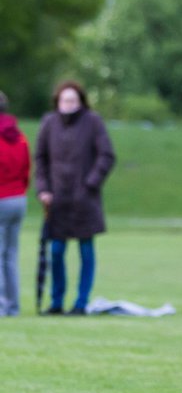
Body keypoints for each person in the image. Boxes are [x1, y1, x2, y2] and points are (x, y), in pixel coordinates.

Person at [35, 81, 115, 315]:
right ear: (57, 101)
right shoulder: (49, 123)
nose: (68, 104)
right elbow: (40, 158)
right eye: (64, 100)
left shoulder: (93, 122)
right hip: (57, 201)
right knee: (56, 250)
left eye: (72, 100)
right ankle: (56, 301)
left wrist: (90, 184)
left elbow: (106, 155)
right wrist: (43, 189)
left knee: (86, 250)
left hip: (84, 200)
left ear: (80, 101)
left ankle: (81, 302)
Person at [0, 90, 30, 317]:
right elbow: (27, 168)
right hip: (18, 198)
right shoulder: (19, 136)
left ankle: (1, 305)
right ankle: (14, 306)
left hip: (1, 198)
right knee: (10, 255)